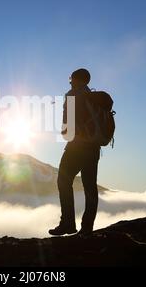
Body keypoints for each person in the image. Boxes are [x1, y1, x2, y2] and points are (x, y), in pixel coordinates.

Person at [49, 68, 101, 236]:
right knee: (90, 187)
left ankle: (68, 224)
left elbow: (67, 128)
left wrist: (65, 133)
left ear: (76, 79)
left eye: (71, 78)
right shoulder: (94, 98)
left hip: (77, 147)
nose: (70, 81)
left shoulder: (72, 96)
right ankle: (87, 229)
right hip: (94, 148)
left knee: (63, 181)